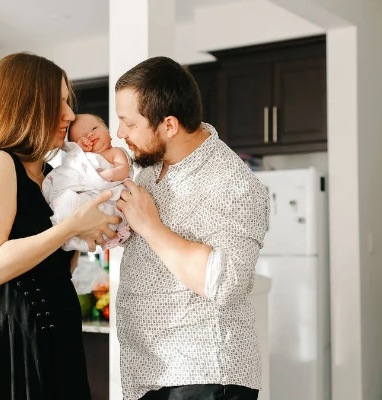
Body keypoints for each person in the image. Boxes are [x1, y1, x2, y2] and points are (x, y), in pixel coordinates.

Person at [0, 52, 121, 400]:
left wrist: (88, 231)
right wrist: (71, 227)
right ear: (25, 106)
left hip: (55, 338)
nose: (70, 115)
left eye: (68, 102)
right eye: (59, 102)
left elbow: (55, 265)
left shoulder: (54, 179)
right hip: (8, 345)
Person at [114, 56, 270, 400]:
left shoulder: (233, 184)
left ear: (169, 125)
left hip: (204, 375)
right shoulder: (153, 169)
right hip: (150, 371)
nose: (121, 134)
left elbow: (227, 281)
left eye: (128, 123)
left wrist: (150, 226)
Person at [42, 113, 132, 252]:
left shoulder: (115, 152)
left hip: (106, 196)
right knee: (66, 203)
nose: (90, 135)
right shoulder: (82, 158)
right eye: (81, 137)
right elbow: (71, 169)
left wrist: (108, 175)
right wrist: (78, 152)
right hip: (84, 194)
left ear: (108, 132)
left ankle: (101, 235)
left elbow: (123, 169)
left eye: (94, 128)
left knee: (115, 211)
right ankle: (68, 237)